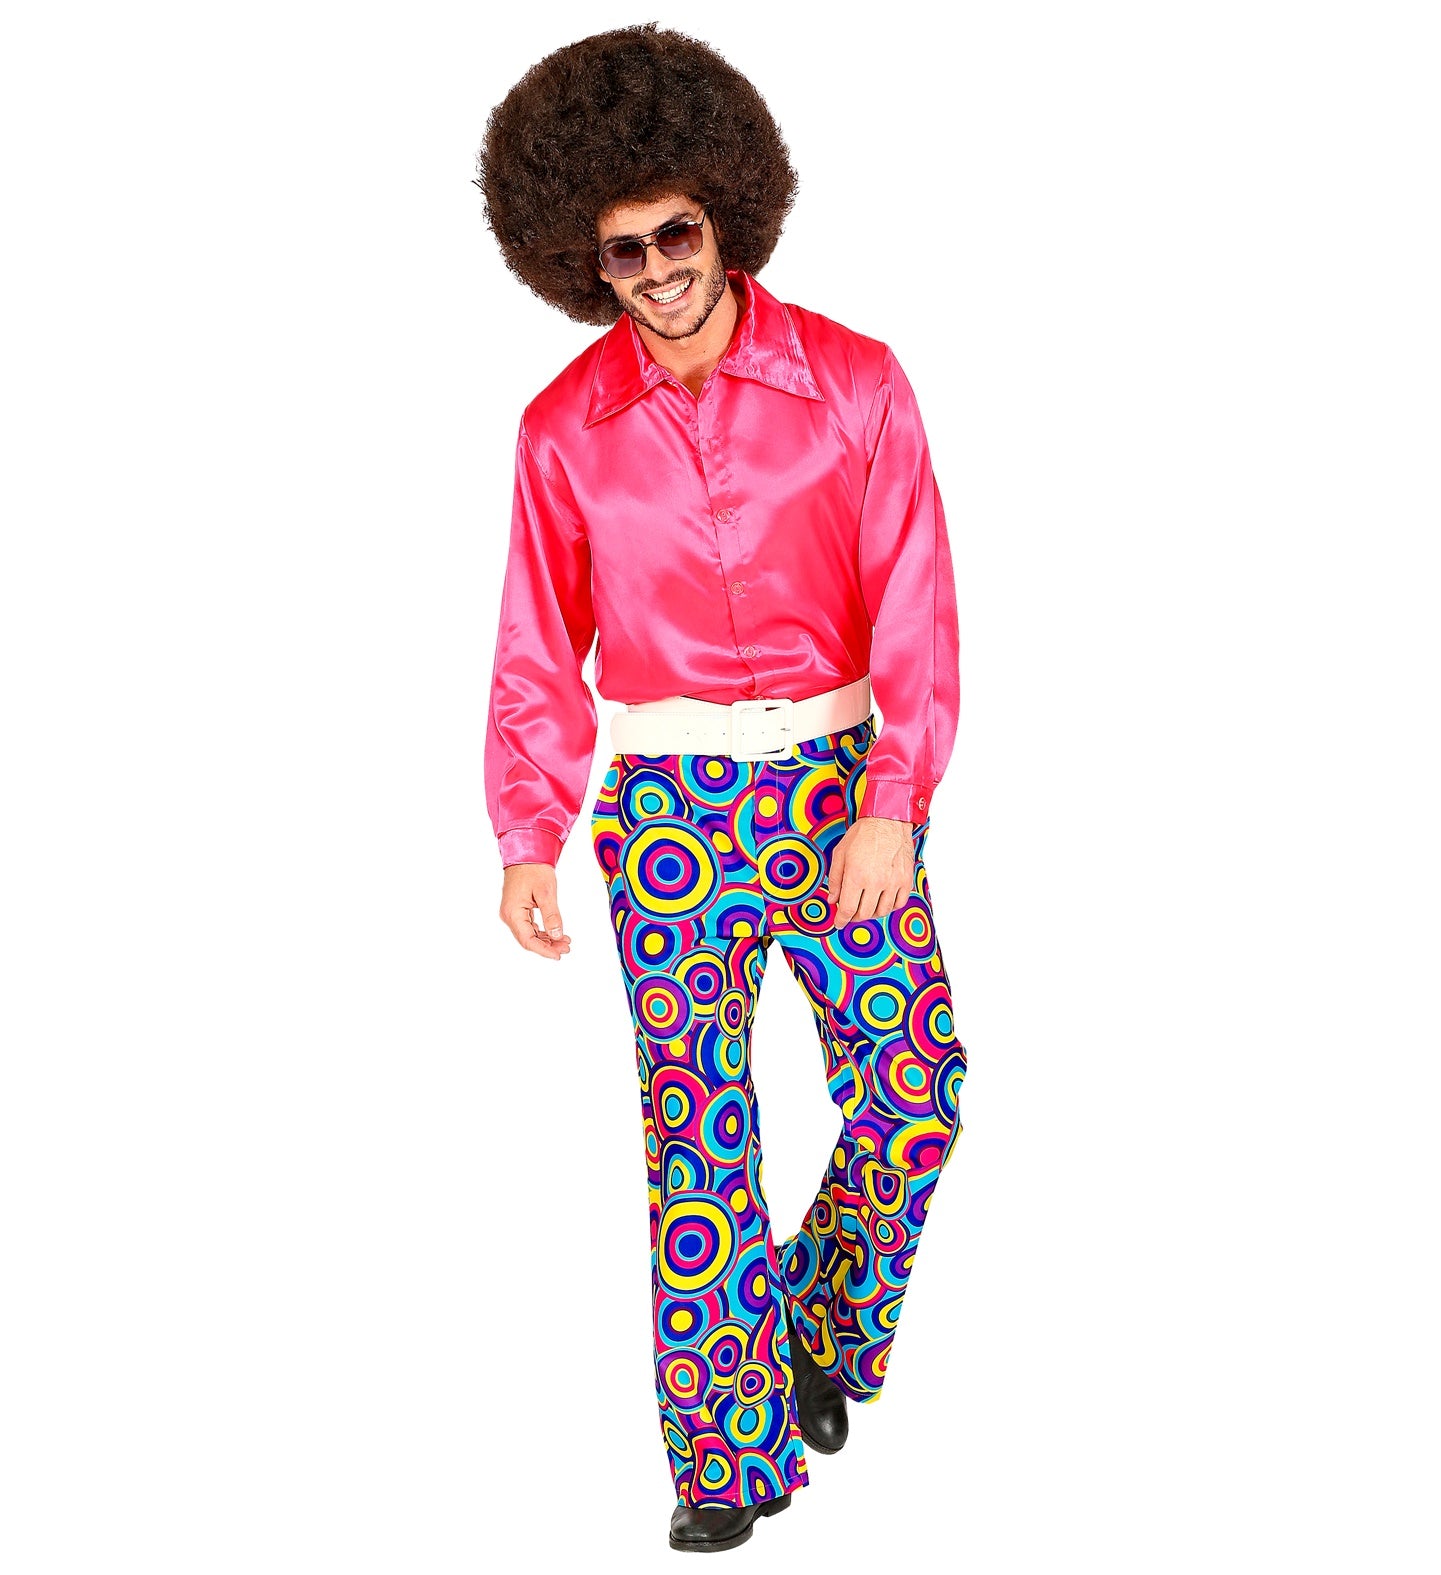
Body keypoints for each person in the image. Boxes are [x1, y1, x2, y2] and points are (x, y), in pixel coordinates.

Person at [475, 23, 967, 1555]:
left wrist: (892, 802)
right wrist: (528, 831)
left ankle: (812, 1322)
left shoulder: (854, 383)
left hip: (836, 789)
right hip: (667, 812)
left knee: (915, 1091)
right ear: (583, 259)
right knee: (698, 1144)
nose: (655, 271)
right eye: (620, 251)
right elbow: (536, 641)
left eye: (675, 233)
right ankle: (721, 1458)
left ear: (725, 214)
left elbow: (916, 607)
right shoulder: (562, 431)